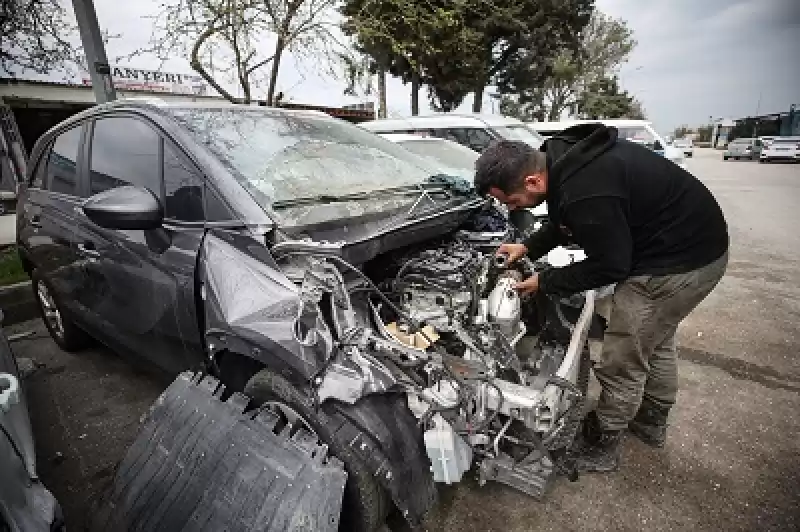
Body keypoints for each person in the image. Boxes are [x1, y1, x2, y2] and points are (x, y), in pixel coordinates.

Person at [474, 124, 729, 473]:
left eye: (513, 201)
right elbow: (565, 221)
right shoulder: (559, 158)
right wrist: (528, 247)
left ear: (532, 181)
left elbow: (610, 264)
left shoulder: (587, 189)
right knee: (655, 341)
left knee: (622, 358)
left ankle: (602, 442)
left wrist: (545, 281)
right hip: (695, 246)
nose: (513, 207)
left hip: (676, 264)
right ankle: (651, 420)